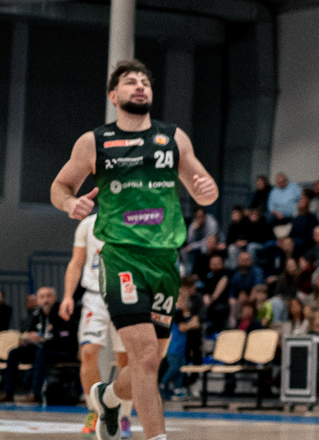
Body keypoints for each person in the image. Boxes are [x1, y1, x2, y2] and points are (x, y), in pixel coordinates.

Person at [50, 60, 218, 440]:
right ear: (114, 95)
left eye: (145, 82)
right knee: (143, 358)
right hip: (121, 258)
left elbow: (202, 187)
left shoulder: (173, 138)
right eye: (130, 82)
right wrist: (70, 203)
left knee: (150, 362)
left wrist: (207, 190)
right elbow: (59, 186)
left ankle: (107, 397)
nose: (140, 86)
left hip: (165, 261)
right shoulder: (94, 142)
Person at [62, 212, 128, 435]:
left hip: (125, 294)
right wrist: (68, 296)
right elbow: (76, 262)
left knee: (126, 361)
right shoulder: (87, 224)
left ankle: (124, 415)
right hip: (94, 296)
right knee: (88, 353)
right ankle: (94, 410)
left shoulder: (133, 220)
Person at [0, 286, 74, 403]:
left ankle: (35, 394)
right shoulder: (37, 316)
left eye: (48, 296)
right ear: (38, 300)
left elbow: (65, 340)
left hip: (62, 351)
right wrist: (28, 339)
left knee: (41, 353)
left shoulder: (62, 314)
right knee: (14, 353)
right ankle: (8, 392)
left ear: (55, 298)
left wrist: (43, 340)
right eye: (42, 297)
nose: (45, 300)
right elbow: (32, 333)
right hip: (41, 351)